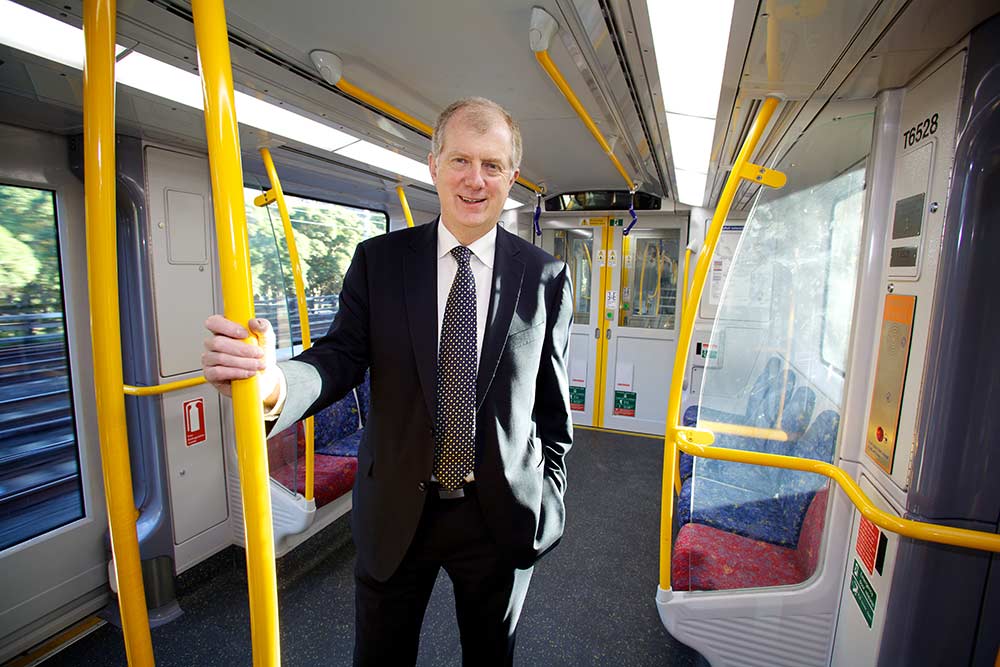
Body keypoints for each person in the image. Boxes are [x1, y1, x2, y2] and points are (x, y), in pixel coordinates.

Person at [202, 97, 573, 665]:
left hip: (500, 516)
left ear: (512, 177)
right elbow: (339, 357)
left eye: (492, 166)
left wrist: (548, 502)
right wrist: (274, 383)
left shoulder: (545, 276)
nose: (475, 180)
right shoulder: (379, 262)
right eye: (460, 161)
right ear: (433, 165)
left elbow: (552, 410)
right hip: (399, 510)